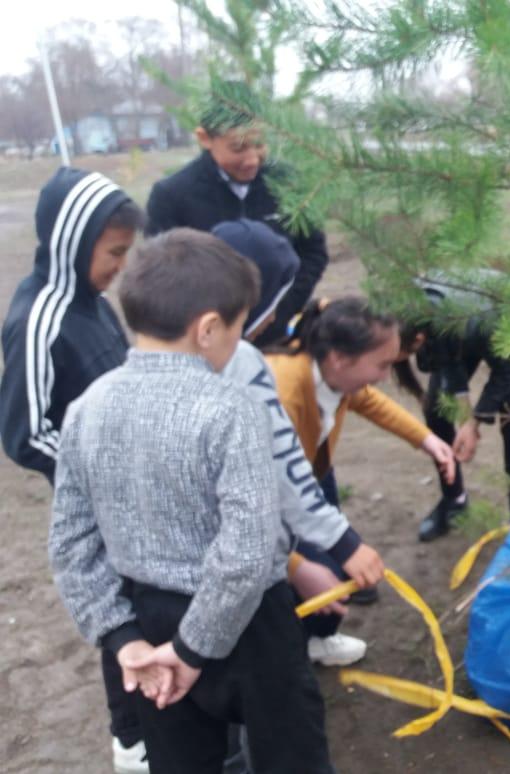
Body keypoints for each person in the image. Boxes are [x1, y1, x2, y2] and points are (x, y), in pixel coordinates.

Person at [48, 228, 336, 773]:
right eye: (238, 328)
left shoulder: (86, 408)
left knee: (181, 764)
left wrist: (125, 639)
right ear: (207, 329)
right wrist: (192, 649)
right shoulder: (230, 410)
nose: (241, 341)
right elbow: (249, 551)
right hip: (252, 627)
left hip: (149, 620)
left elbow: (70, 545)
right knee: (292, 759)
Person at [0, 168, 150, 773]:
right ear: (72, 240)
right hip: (101, 503)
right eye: (113, 253)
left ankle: (156, 712)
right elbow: (23, 432)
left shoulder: (94, 303)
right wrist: (103, 475)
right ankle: (131, 738)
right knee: (121, 615)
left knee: (146, 600)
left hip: (136, 489)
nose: (119, 266)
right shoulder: (38, 320)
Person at [213, 218, 383, 666]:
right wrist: (298, 567)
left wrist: (340, 545)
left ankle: (311, 641)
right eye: (272, 301)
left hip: (267, 545)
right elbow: (246, 498)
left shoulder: (247, 362)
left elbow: (285, 469)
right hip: (218, 585)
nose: (276, 316)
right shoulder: (272, 381)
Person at [264, 297, 456, 598]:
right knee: (311, 579)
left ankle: (320, 630)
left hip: (305, 477)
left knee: (331, 568)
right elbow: (264, 503)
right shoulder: (282, 395)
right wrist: (296, 568)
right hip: (272, 502)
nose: (384, 378)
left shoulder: (330, 371)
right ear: (341, 358)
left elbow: (366, 400)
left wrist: (425, 439)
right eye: (382, 366)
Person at [145, 81, 328, 347]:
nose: (252, 158)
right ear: (205, 138)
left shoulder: (289, 184)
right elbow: (162, 278)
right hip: (209, 345)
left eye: (259, 144)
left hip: (275, 339)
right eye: (238, 148)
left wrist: (277, 311)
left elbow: (313, 253)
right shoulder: (172, 196)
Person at [394, 277, 510, 541]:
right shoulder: (410, 312)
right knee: (437, 408)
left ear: (418, 339)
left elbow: (506, 372)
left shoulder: (476, 325)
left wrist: (474, 423)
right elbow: (446, 356)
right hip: (459, 328)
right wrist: (463, 408)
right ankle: (454, 501)